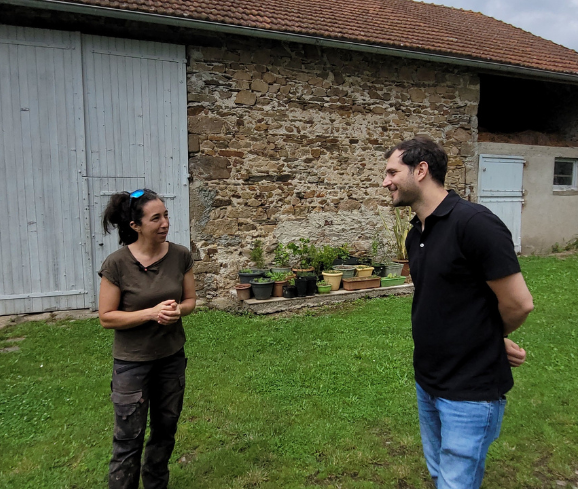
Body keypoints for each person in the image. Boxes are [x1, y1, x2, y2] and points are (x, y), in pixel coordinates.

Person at [382, 137, 533, 489]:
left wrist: (490, 340)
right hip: (428, 380)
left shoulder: (474, 223)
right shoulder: (416, 233)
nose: (385, 181)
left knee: (456, 483)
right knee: (440, 474)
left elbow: (519, 303)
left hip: (470, 391)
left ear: (421, 171)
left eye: (392, 172)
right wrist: (491, 338)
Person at [98, 188, 196, 489]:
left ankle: (156, 484)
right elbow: (106, 317)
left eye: (166, 215)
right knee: (128, 439)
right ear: (135, 226)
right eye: (156, 218)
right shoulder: (117, 264)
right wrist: (150, 313)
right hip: (132, 364)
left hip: (171, 359)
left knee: (165, 431)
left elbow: (190, 300)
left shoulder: (180, 255)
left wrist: (176, 310)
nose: (165, 223)